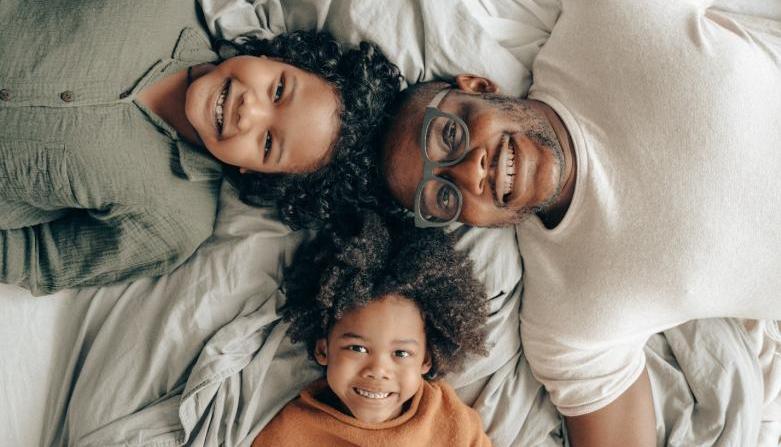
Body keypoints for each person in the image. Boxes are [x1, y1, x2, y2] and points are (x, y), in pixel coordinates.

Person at [377, 2, 781, 446]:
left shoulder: (608, 16)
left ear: (478, 86)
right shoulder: (566, 321)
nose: (471, 171)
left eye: (449, 135)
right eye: (445, 196)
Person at [0, 1, 400, 295]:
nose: (250, 111)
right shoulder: (162, 7)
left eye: (266, 143)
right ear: (275, 56)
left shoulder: (174, 222)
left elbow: (37, 259)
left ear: (256, 174)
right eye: (278, 89)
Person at [253, 212, 492, 446]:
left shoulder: (451, 423)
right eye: (357, 348)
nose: (378, 370)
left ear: (426, 359)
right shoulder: (291, 432)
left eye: (401, 353)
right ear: (323, 349)